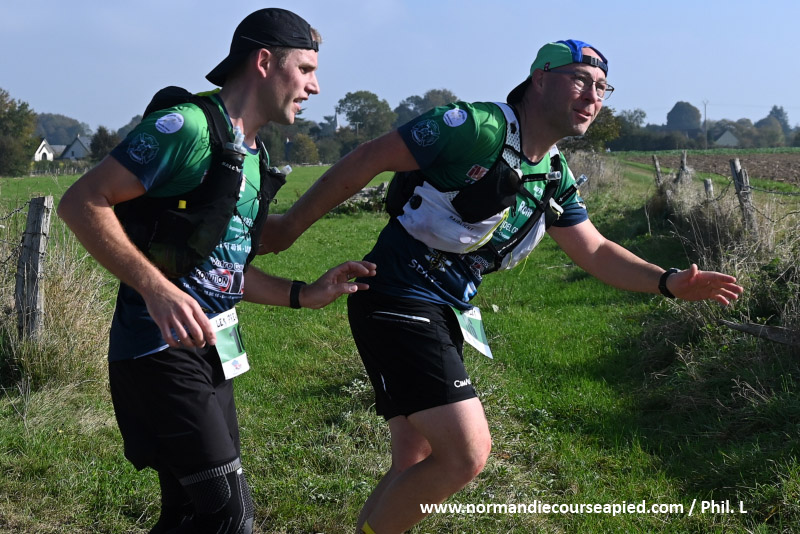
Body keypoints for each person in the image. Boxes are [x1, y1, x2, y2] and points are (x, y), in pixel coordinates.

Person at [263, 39, 745, 534]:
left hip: (443, 310)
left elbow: (596, 250)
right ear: (540, 79)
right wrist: (289, 227)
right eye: (580, 80)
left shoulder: (553, 174)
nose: (593, 97)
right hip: (397, 297)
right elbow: (370, 157)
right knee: (466, 453)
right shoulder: (476, 127)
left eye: (603, 88)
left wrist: (667, 282)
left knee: (416, 458)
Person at [58, 8, 376, 534]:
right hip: (156, 351)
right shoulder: (188, 128)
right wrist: (155, 289)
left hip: (210, 350)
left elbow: (220, 270)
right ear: (264, 62)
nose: (315, 87)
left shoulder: (251, 152)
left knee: (189, 514)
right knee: (230, 514)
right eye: (305, 70)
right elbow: (82, 201)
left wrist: (303, 293)